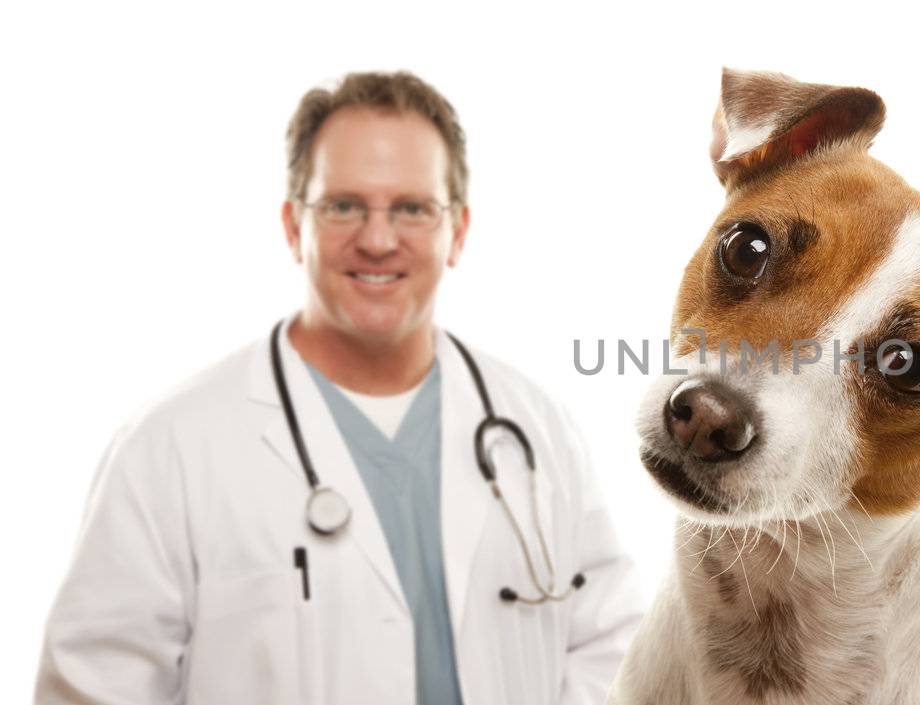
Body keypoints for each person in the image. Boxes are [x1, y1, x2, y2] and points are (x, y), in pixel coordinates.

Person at [35, 70, 641, 705]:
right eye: (343, 205)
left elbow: (612, 648)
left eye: (412, 208)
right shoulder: (169, 450)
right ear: (294, 225)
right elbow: (93, 690)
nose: (378, 240)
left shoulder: (537, 429)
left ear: (457, 231)